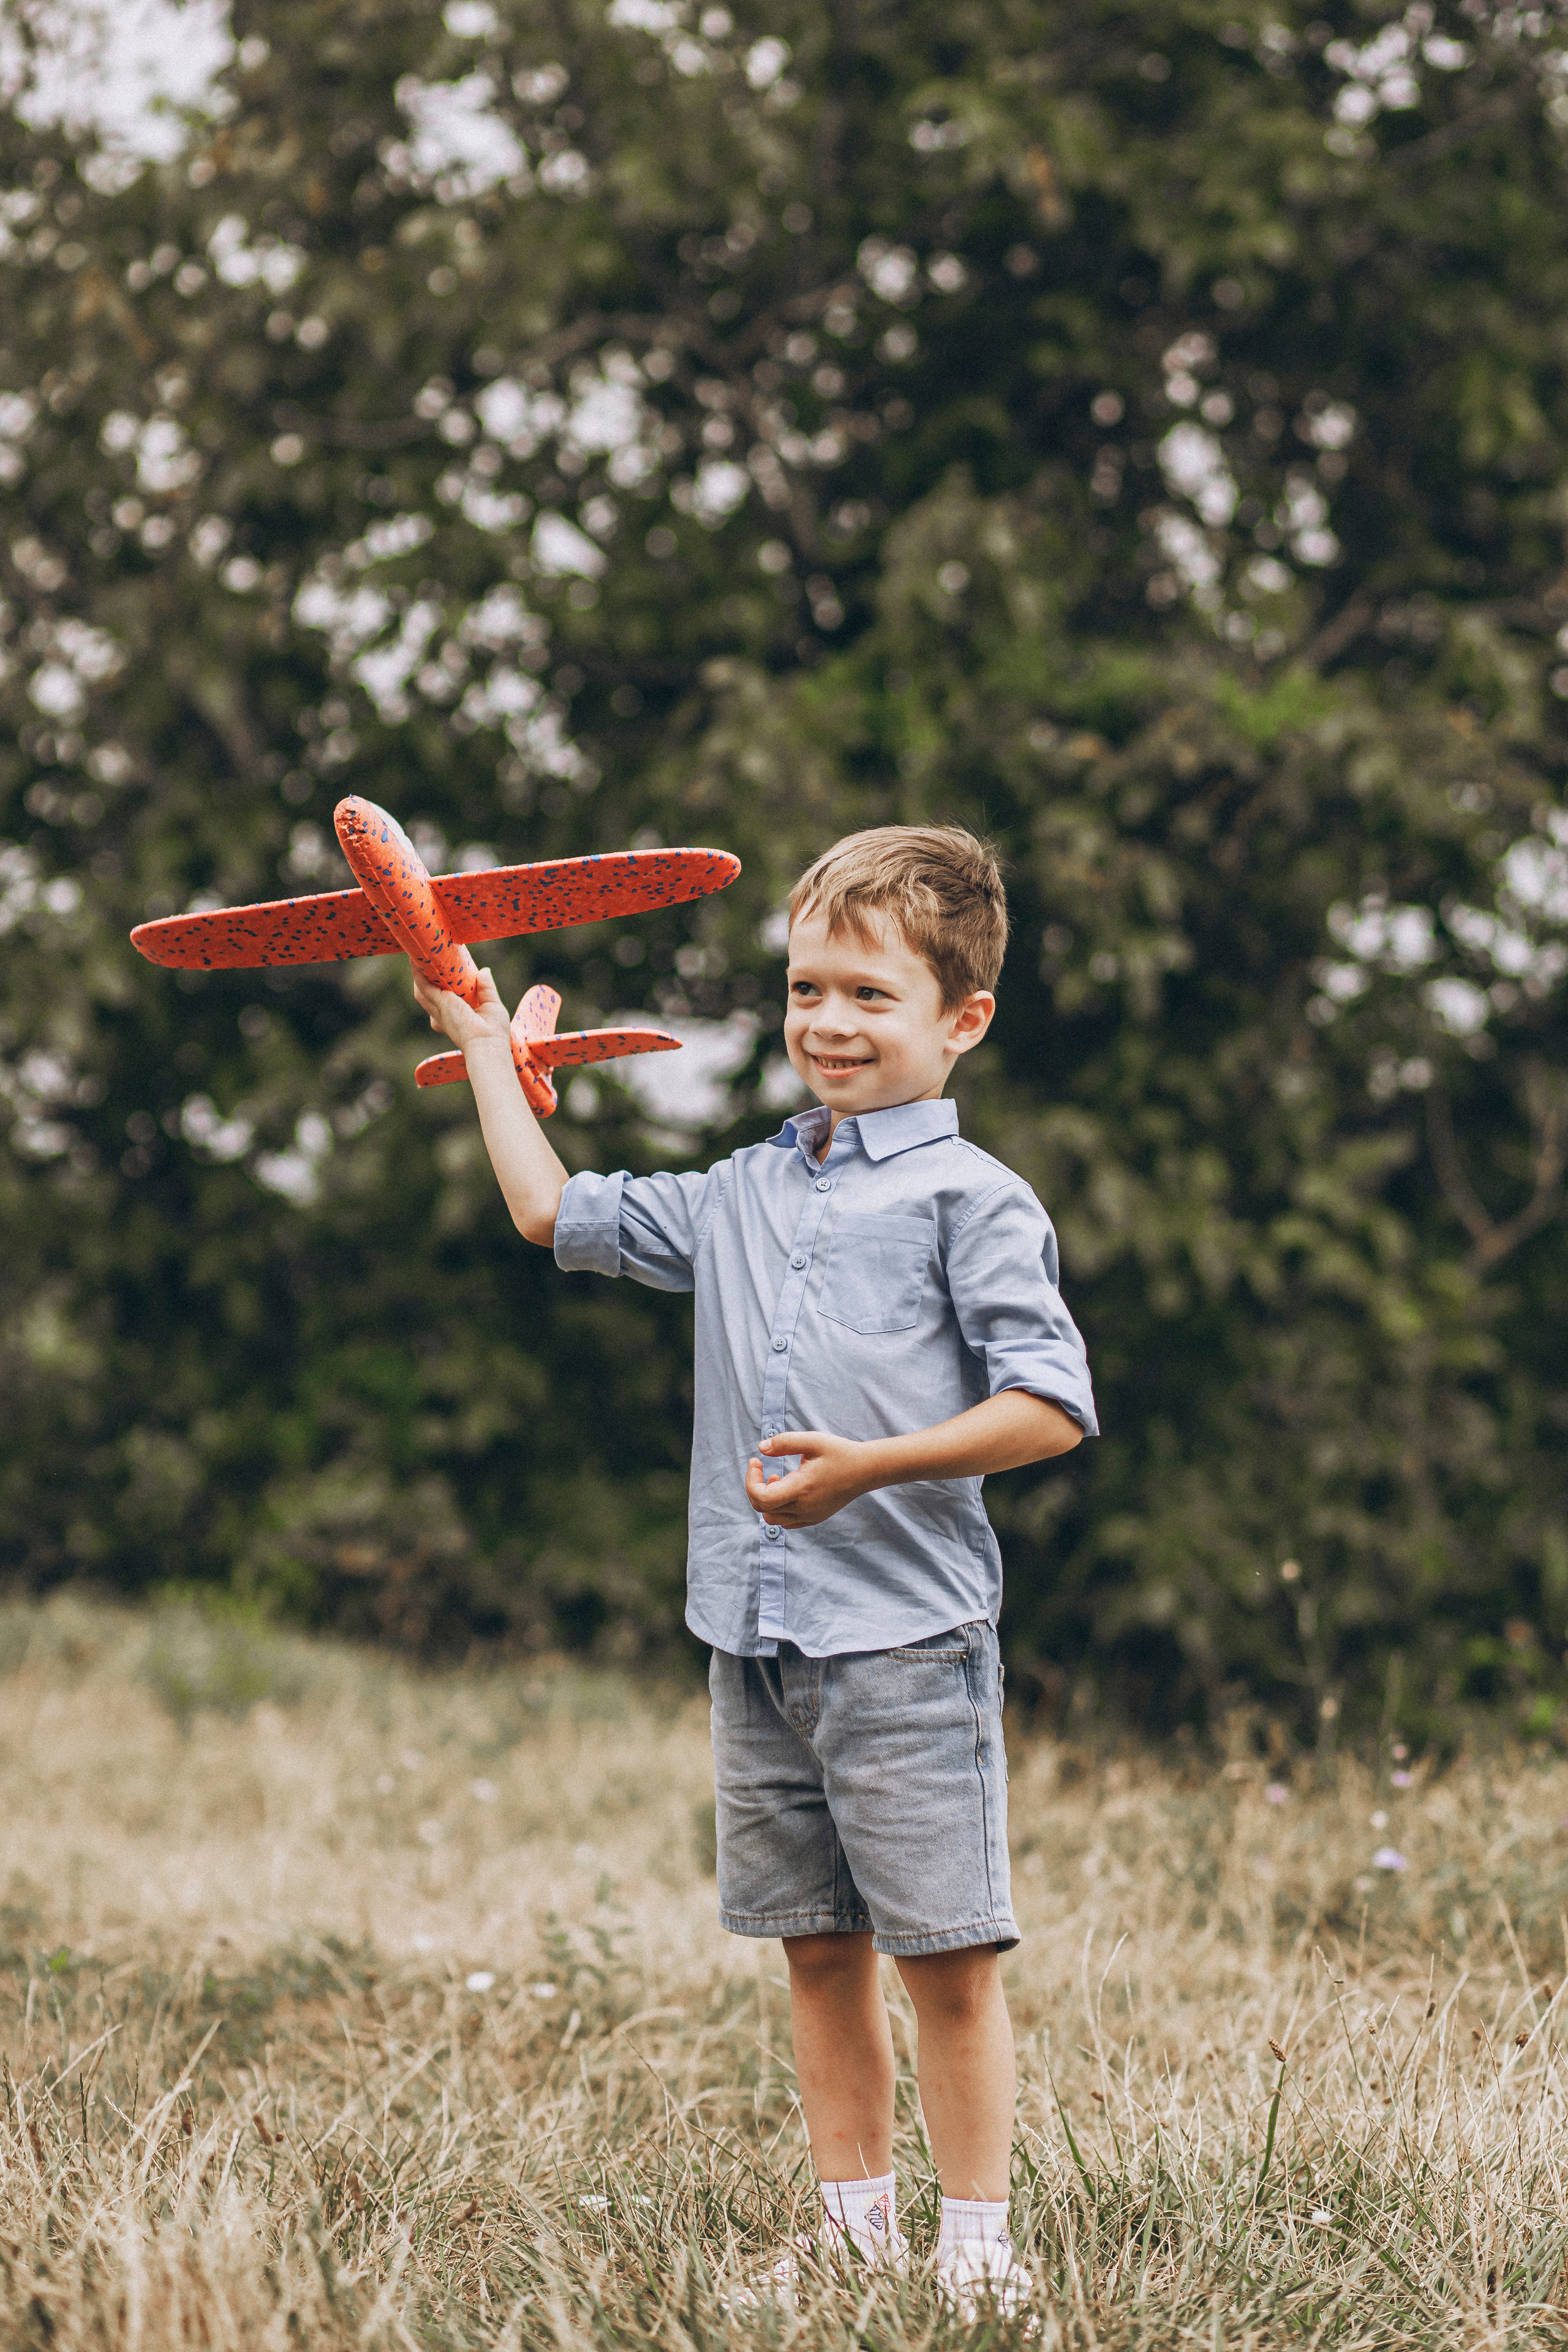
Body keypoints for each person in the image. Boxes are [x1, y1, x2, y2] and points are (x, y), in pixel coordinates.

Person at [413, 824, 1096, 2311]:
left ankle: (978, 2259)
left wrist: (869, 1466)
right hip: (757, 1642)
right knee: (815, 1954)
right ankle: (853, 2237)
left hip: (903, 1643)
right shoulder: (742, 1192)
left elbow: (1047, 1408)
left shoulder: (972, 1199)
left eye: (868, 995)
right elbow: (549, 1211)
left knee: (946, 1962)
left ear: (961, 1019)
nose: (827, 1023)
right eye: (804, 991)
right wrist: (479, 1044)